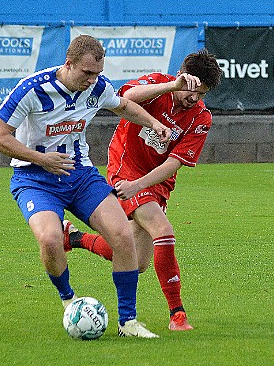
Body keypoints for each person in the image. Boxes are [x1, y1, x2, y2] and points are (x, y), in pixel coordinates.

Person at [0, 34, 172, 338]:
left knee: (123, 236)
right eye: (86, 73)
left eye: (97, 73)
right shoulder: (32, 90)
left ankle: (128, 322)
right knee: (49, 240)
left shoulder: (98, 87)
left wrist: (153, 123)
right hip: (34, 177)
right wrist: (41, 158)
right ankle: (70, 301)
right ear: (69, 64)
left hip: (80, 175)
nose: (92, 79)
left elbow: (123, 105)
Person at [62, 48, 222, 331]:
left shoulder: (201, 118)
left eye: (202, 93)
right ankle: (178, 315)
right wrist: (173, 86)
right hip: (125, 170)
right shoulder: (158, 84)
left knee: (136, 262)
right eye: (190, 90)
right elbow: (123, 99)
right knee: (164, 231)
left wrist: (141, 185)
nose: (194, 98)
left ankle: (74, 239)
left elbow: (175, 163)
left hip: (153, 183)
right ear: (181, 77)